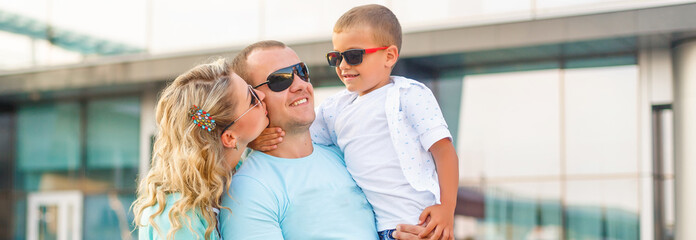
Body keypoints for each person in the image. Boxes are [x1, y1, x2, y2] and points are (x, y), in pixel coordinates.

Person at [256, 4, 460, 240]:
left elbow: (444, 152)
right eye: (336, 57)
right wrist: (257, 139)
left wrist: (447, 209)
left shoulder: (409, 94)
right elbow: (295, 134)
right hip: (377, 230)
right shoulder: (335, 108)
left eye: (354, 56)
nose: (343, 66)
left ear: (389, 56)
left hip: (420, 223)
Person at [218, 40, 379, 239]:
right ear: (255, 100)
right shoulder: (248, 189)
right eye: (280, 80)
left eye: (302, 72)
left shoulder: (346, 153)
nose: (301, 85)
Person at [131, 58, 268, 240]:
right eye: (252, 98)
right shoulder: (177, 218)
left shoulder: (232, 176)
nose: (262, 95)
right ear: (229, 137)